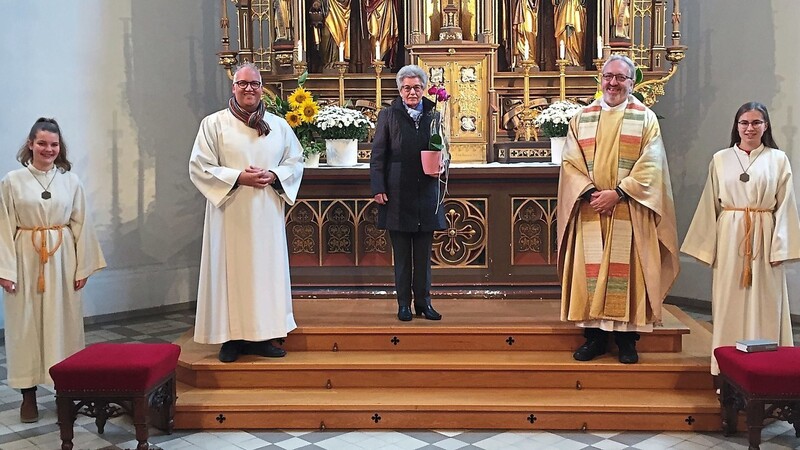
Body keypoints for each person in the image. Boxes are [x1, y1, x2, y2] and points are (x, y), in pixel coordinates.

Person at [556, 54, 679, 364]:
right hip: (591, 208)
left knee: (629, 273)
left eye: (620, 78)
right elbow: (570, 162)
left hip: (628, 208)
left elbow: (652, 165)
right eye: (608, 76)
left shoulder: (645, 118)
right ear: (601, 80)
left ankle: (627, 341)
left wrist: (619, 193)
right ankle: (594, 339)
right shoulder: (581, 118)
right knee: (592, 274)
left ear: (631, 82)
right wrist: (591, 193)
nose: (613, 82)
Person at [189, 62, 304, 363]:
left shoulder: (278, 125)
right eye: (243, 83)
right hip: (230, 213)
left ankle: (263, 336)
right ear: (234, 87)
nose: (249, 88)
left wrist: (275, 175)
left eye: (254, 83)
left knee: (264, 272)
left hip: (265, 211)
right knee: (231, 274)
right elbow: (200, 166)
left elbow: (296, 160)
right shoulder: (213, 124)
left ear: (261, 86)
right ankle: (232, 338)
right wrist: (239, 177)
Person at [681, 102, 800, 376]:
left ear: (766, 126)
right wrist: (706, 247)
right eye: (744, 123)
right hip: (730, 234)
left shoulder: (777, 159)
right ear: (736, 126)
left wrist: (781, 247)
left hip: (764, 235)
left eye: (756, 122)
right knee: (728, 301)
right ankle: (725, 368)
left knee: (766, 301)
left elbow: (786, 205)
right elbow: (709, 204)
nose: (750, 128)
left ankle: (768, 369)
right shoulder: (720, 159)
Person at [0, 118, 106, 423]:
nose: (48, 149)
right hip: (25, 257)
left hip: (61, 259)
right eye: (42, 143)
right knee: (25, 325)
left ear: (60, 148)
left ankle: (65, 393)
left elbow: (82, 224)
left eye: (54, 144)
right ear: (31, 144)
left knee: (64, 324)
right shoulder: (12, 181)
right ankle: (28, 395)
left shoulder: (70, 181)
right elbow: (4, 224)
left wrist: (83, 265)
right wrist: (6, 269)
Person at [370, 65, 446, 322]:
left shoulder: (434, 114)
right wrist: (378, 187)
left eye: (416, 87)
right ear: (400, 90)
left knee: (423, 256)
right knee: (402, 256)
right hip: (397, 193)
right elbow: (378, 155)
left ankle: (424, 303)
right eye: (406, 87)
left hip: (426, 192)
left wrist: (443, 163)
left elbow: (444, 149)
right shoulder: (389, 115)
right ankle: (403, 304)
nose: (412, 92)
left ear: (424, 89)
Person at [553, 0, 586, 66]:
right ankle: (565, 59)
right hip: (564, 7)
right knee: (563, 33)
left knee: (577, 33)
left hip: (576, 7)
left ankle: (576, 59)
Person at [512, 0, 538, 65]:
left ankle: (530, 58)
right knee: (523, 31)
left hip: (530, 7)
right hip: (522, 6)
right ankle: (522, 58)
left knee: (530, 32)